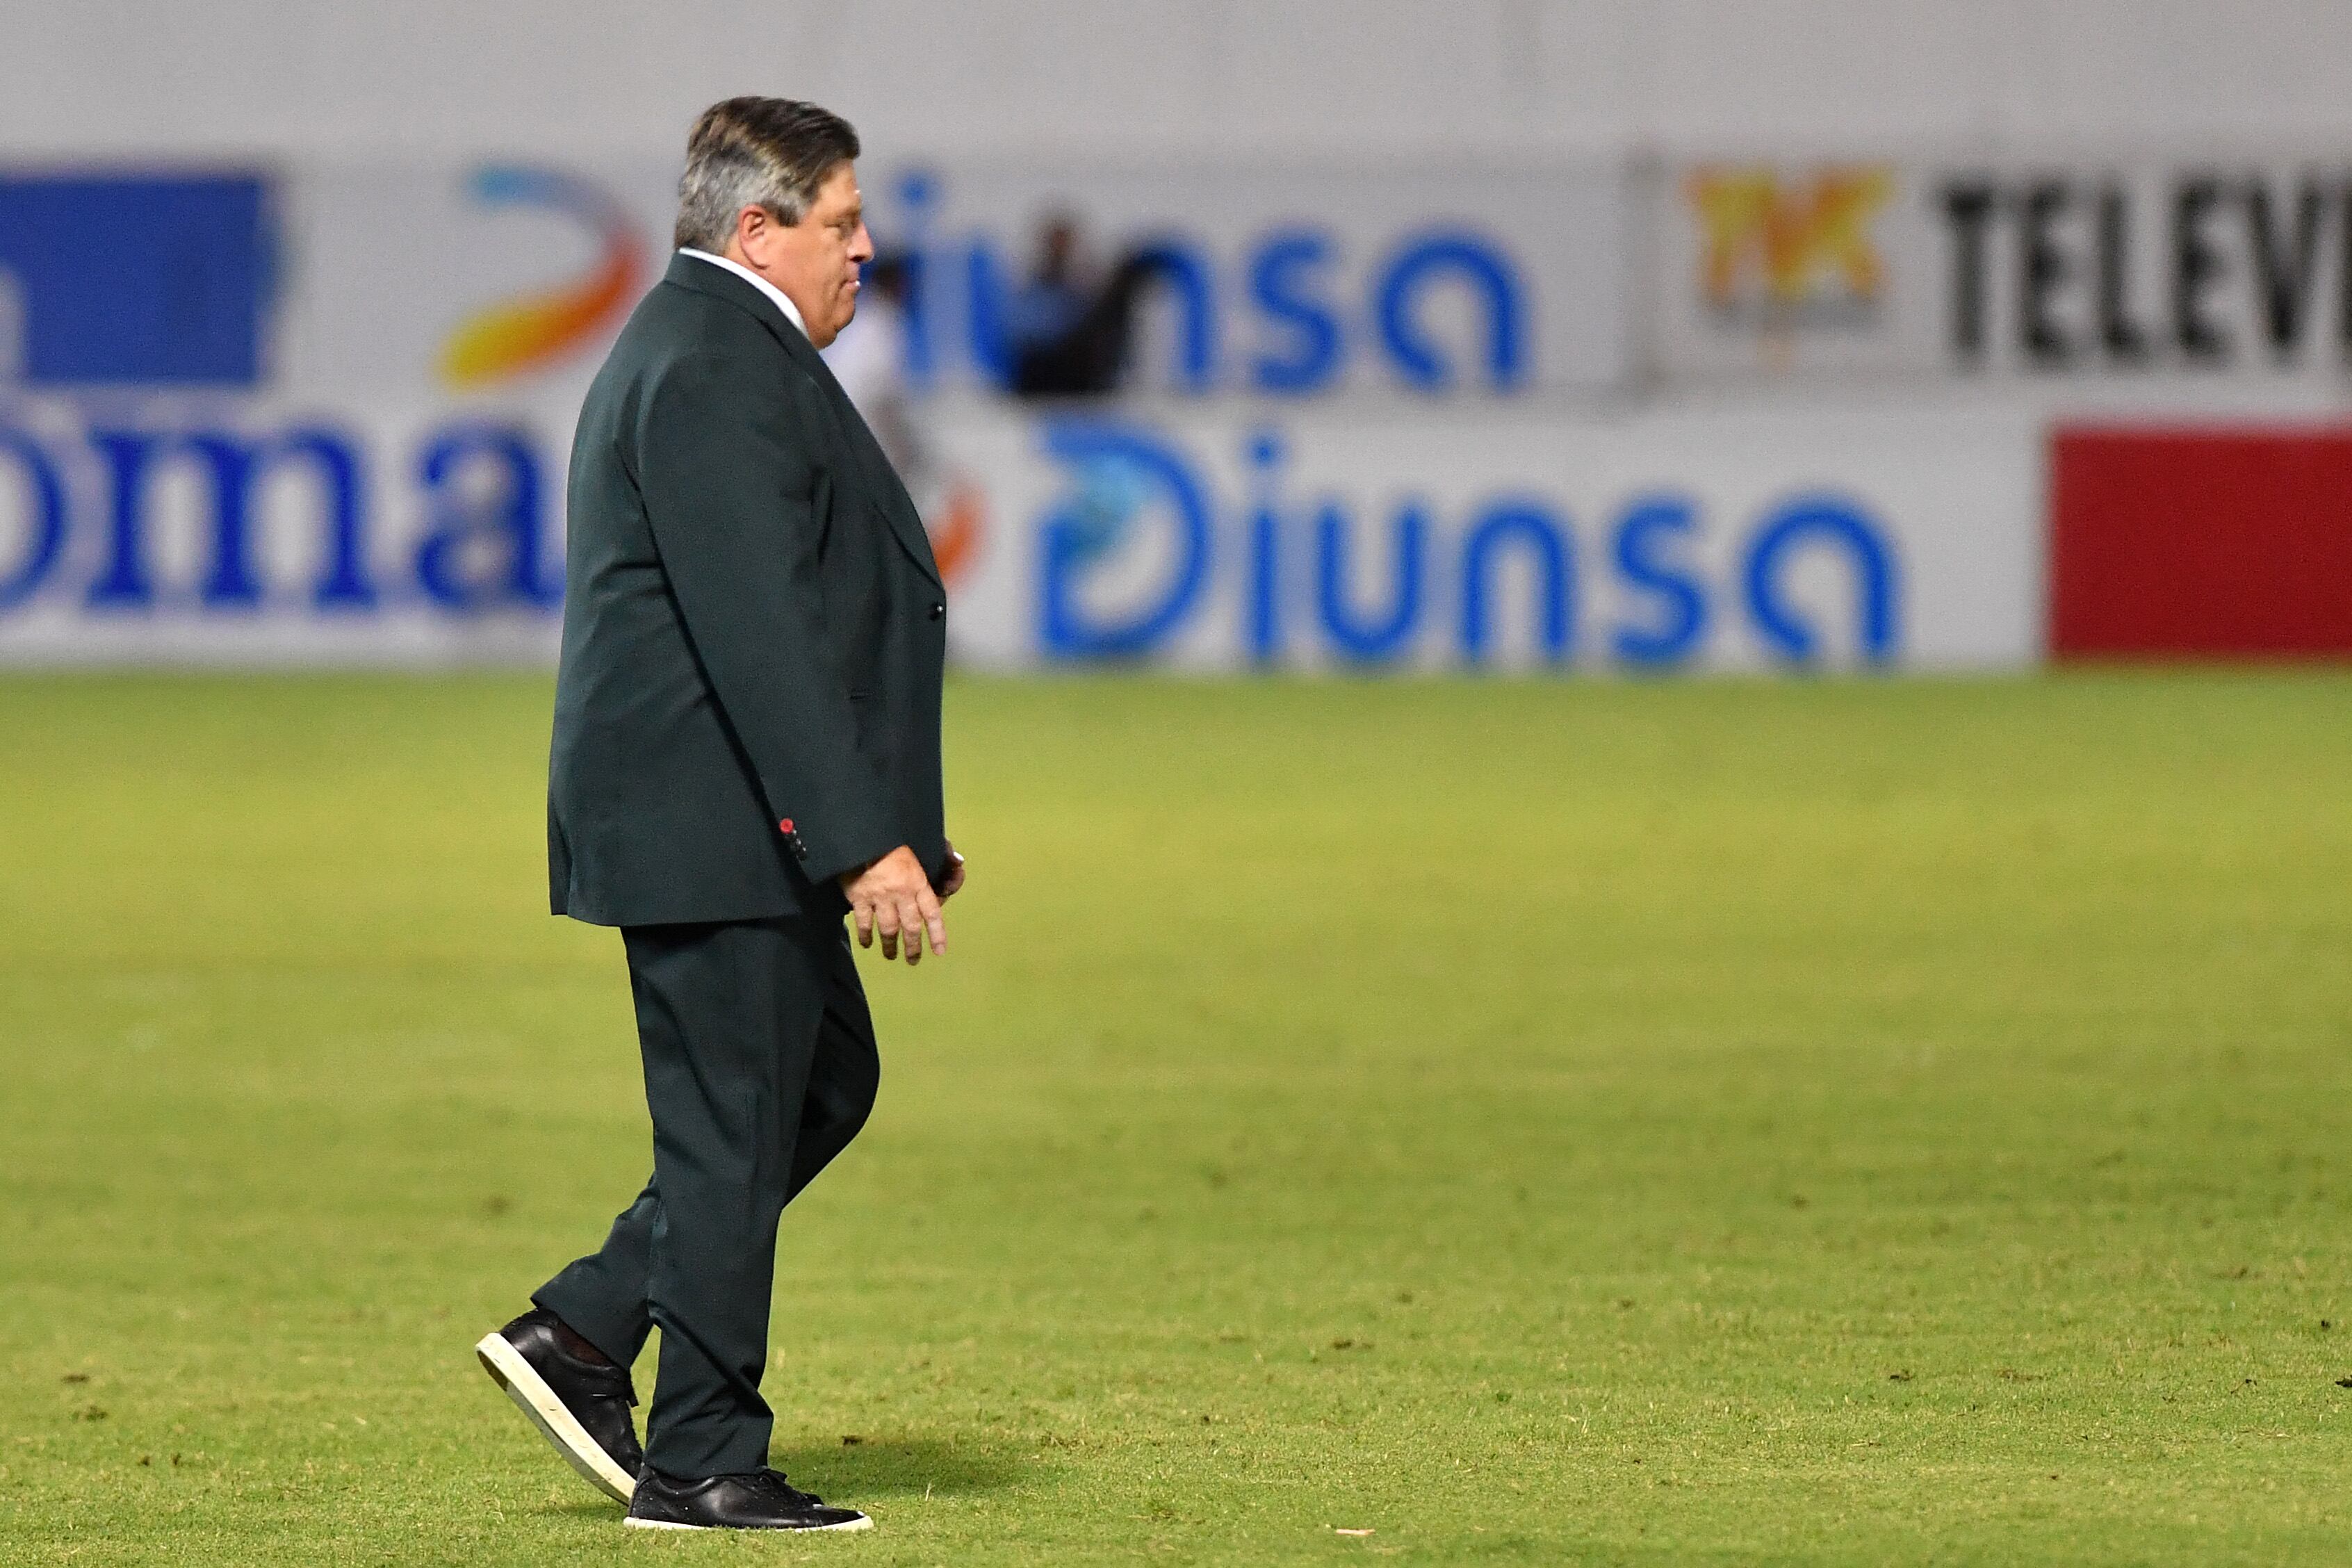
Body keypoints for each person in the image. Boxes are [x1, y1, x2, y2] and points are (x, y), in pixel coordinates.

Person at [471, 96, 965, 1536]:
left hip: (732, 818)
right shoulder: (711, 362)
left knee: (814, 1087)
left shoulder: (718, 347)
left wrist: (889, 822)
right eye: (844, 221)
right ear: (759, 229)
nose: (865, 249)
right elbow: (762, 633)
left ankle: (586, 1327)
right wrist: (859, 839)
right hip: (715, 823)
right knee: (737, 1124)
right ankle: (700, 1459)